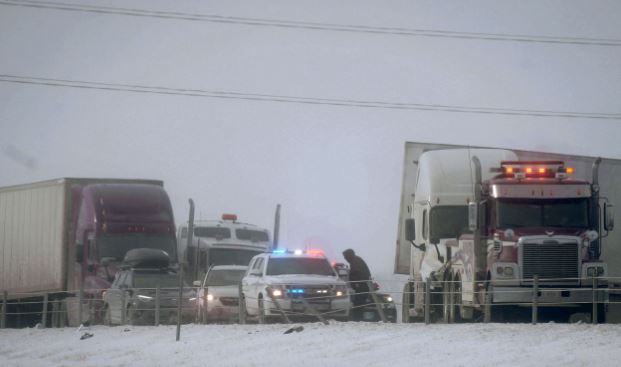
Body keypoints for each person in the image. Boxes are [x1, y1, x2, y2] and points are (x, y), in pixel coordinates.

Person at [342, 248, 371, 321]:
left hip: (361, 286)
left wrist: (356, 284)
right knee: (359, 304)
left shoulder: (355, 262)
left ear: (349, 255)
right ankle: (358, 319)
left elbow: (356, 274)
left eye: (345, 257)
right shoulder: (356, 260)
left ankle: (357, 319)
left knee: (358, 304)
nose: (345, 259)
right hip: (363, 285)